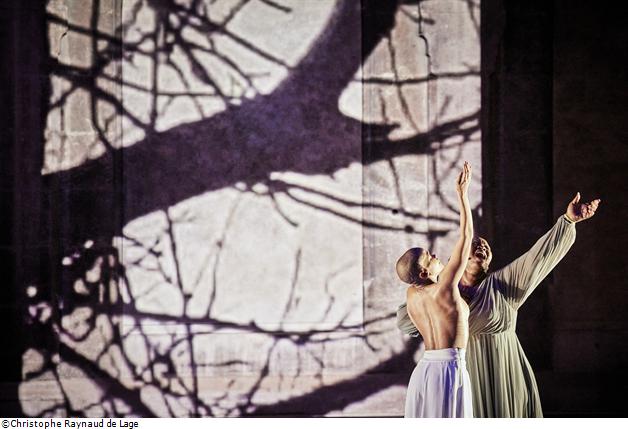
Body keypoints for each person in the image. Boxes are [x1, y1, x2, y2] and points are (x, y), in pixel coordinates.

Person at [397, 192, 601, 417]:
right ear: (458, 258)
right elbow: (407, 321)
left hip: (503, 372)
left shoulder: (503, 285)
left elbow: (537, 258)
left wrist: (568, 221)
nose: (482, 248)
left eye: (486, 248)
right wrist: (433, 286)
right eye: (475, 245)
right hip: (459, 372)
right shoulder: (439, 292)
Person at [395, 161, 474, 418]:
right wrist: (462, 195)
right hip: (449, 369)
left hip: (425, 370)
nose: (436, 256)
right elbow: (466, 237)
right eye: (430, 257)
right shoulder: (444, 288)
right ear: (424, 273)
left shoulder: (411, 294)